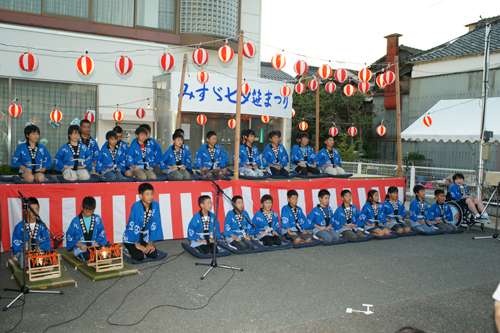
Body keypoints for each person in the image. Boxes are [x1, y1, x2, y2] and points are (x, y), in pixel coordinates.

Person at [123, 183, 163, 261]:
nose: (150, 197)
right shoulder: (136, 206)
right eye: (147, 194)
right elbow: (134, 225)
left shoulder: (156, 205)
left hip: (144, 236)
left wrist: (150, 243)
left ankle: (141, 246)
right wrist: (137, 245)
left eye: (151, 194)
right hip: (132, 236)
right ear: (141, 196)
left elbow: (156, 223)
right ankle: (128, 250)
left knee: (153, 255)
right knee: (138, 257)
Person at [11, 197, 51, 267]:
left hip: (38, 251)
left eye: (37, 209)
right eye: (32, 209)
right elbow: (17, 243)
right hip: (24, 252)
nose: (35, 211)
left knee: (45, 260)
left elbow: (46, 240)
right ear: (26, 211)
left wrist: (38, 249)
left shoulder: (42, 225)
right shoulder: (20, 226)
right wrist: (27, 251)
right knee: (25, 261)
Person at [66, 196, 107, 262]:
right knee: (88, 259)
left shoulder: (97, 219)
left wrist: (97, 242)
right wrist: (79, 244)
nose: (89, 214)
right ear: (82, 208)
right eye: (87, 211)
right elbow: (69, 236)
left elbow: (101, 233)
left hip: (94, 247)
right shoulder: (75, 221)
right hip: (81, 248)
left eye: (91, 212)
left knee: (104, 257)